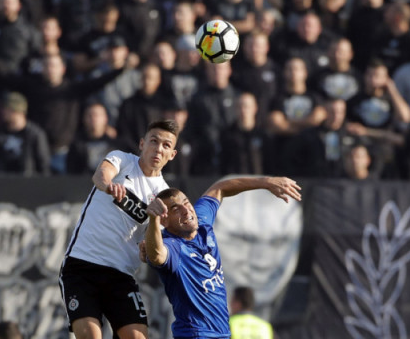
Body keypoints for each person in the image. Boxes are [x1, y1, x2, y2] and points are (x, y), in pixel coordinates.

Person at [59, 119, 180, 339]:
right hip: (82, 266)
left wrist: (147, 249)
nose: (158, 149)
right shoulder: (123, 160)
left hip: (120, 275)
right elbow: (100, 175)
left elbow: (153, 249)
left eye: (166, 145)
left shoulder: (163, 196)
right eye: (154, 141)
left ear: (172, 155)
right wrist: (108, 186)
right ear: (142, 144)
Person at [143, 175, 301, 339]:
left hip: (222, 334)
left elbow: (219, 188)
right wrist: (153, 220)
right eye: (176, 210)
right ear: (164, 220)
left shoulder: (202, 222)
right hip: (196, 335)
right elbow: (157, 255)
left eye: (186, 202)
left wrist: (266, 183)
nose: (186, 210)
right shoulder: (174, 247)